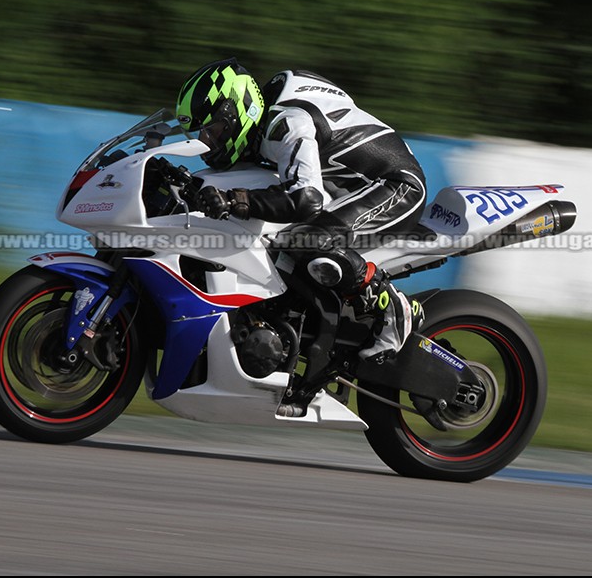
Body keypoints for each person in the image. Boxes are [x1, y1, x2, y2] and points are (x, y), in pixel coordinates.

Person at [174, 57, 427, 364]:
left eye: (213, 131)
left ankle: (391, 307)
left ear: (239, 111)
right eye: (201, 136)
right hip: (348, 191)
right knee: (277, 241)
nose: (209, 142)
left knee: (308, 239)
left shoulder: (287, 123)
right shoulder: (258, 130)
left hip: (396, 186)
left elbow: (306, 200)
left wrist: (234, 201)